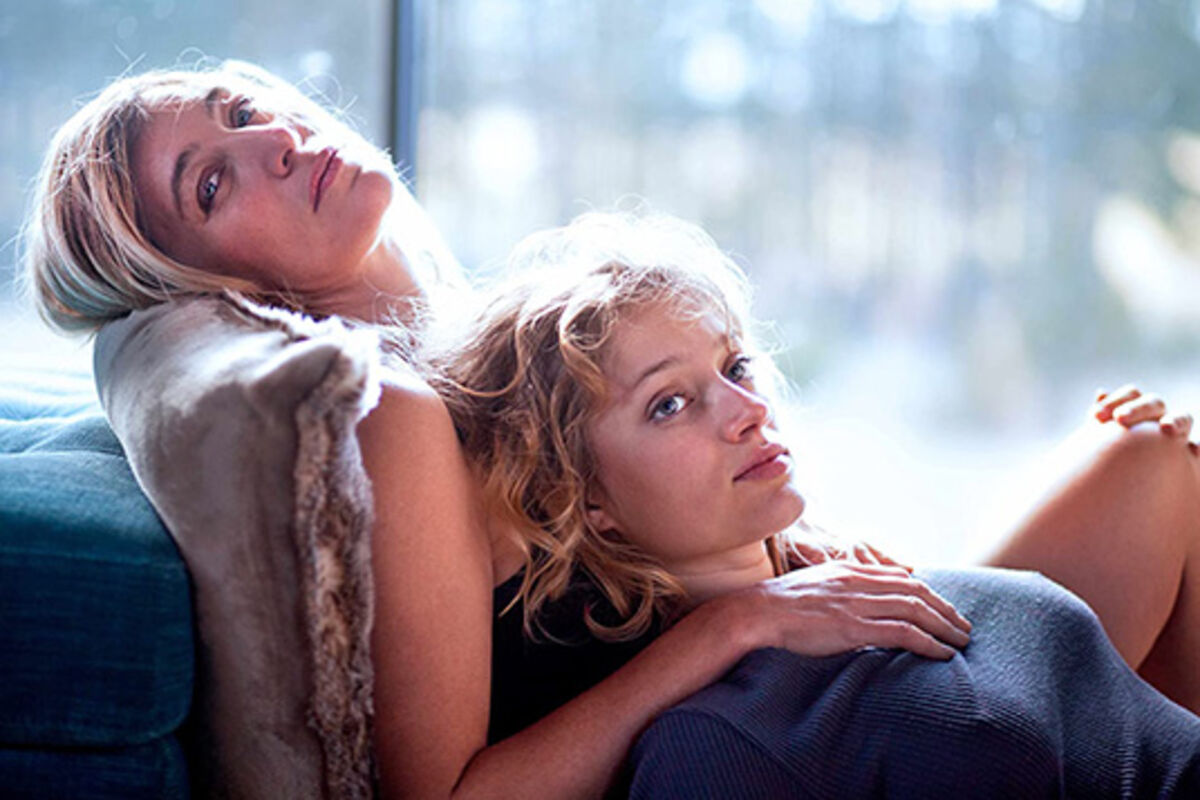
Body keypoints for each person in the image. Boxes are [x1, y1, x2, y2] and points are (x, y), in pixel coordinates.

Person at [19, 59, 1197, 798]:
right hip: (768, 741)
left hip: (808, 693)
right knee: (1145, 513)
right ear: (220, 284)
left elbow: (659, 530)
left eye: (240, 110)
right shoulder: (394, 417)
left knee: (1150, 464)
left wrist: (798, 552)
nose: (273, 140)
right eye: (212, 183)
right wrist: (740, 621)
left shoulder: (452, 329)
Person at [432, 210, 1200, 792]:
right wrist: (737, 623)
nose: (748, 410)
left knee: (1152, 452)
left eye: (736, 366)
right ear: (583, 497)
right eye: (669, 403)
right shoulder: (699, 734)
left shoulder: (836, 577)